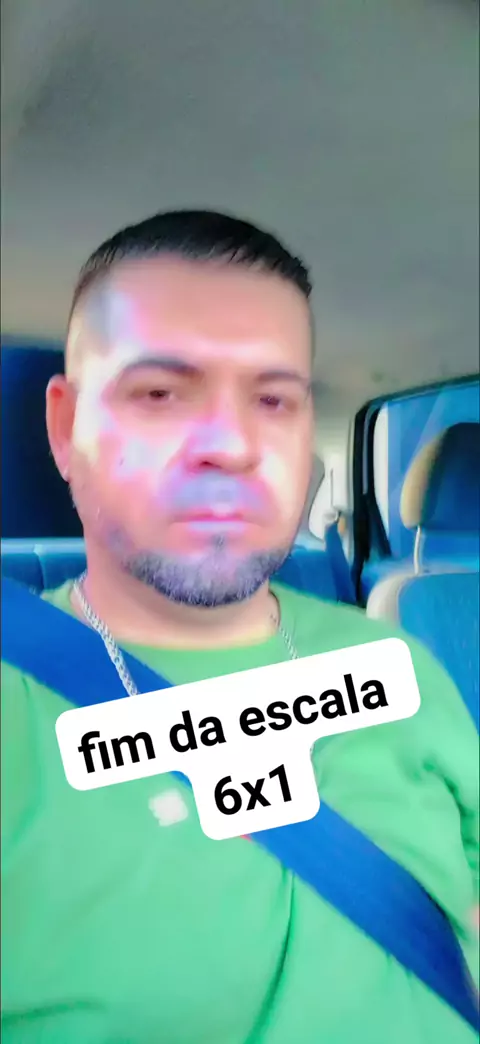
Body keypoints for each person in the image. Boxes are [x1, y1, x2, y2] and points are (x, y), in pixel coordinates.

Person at [1, 210, 478, 1044]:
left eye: (273, 399)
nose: (229, 445)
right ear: (65, 428)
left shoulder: (399, 663)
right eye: (159, 393)